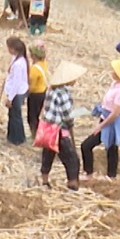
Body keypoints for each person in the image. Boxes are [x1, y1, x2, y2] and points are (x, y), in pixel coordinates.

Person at [80, 59, 120, 180]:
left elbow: (115, 114)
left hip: (111, 123)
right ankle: (110, 175)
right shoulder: (116, 84)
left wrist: (101, 125)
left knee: (88, 145)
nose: (111, 72)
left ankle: (92, 174)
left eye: (114, 70)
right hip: (106, 118)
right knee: (111, 148)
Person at [37, 61, 84, 191]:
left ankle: (44, 181)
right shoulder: (63, 93)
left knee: (48, 154)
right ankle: (72, 184)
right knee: (72, 158)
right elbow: (67, 115)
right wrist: (71, 126)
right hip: (59, 130)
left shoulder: (51, 90)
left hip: (48, 128)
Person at [3, 37, 30, 145]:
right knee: (13, 115)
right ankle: (12, 136)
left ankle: (18, 138)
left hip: (16, 93)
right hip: (16, 91)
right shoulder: (18, 59)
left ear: (14, 49)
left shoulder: (19, 64)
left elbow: (16, 83)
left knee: (15, 116)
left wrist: (10, 98)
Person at [26, 41, 49, 139]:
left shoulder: (34, 69)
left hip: (35, 94)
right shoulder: (43, 64)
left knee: (32, 117)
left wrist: (25, 94)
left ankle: (34, 135)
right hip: (42, 92)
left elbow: (31, 85)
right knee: (37, 115)